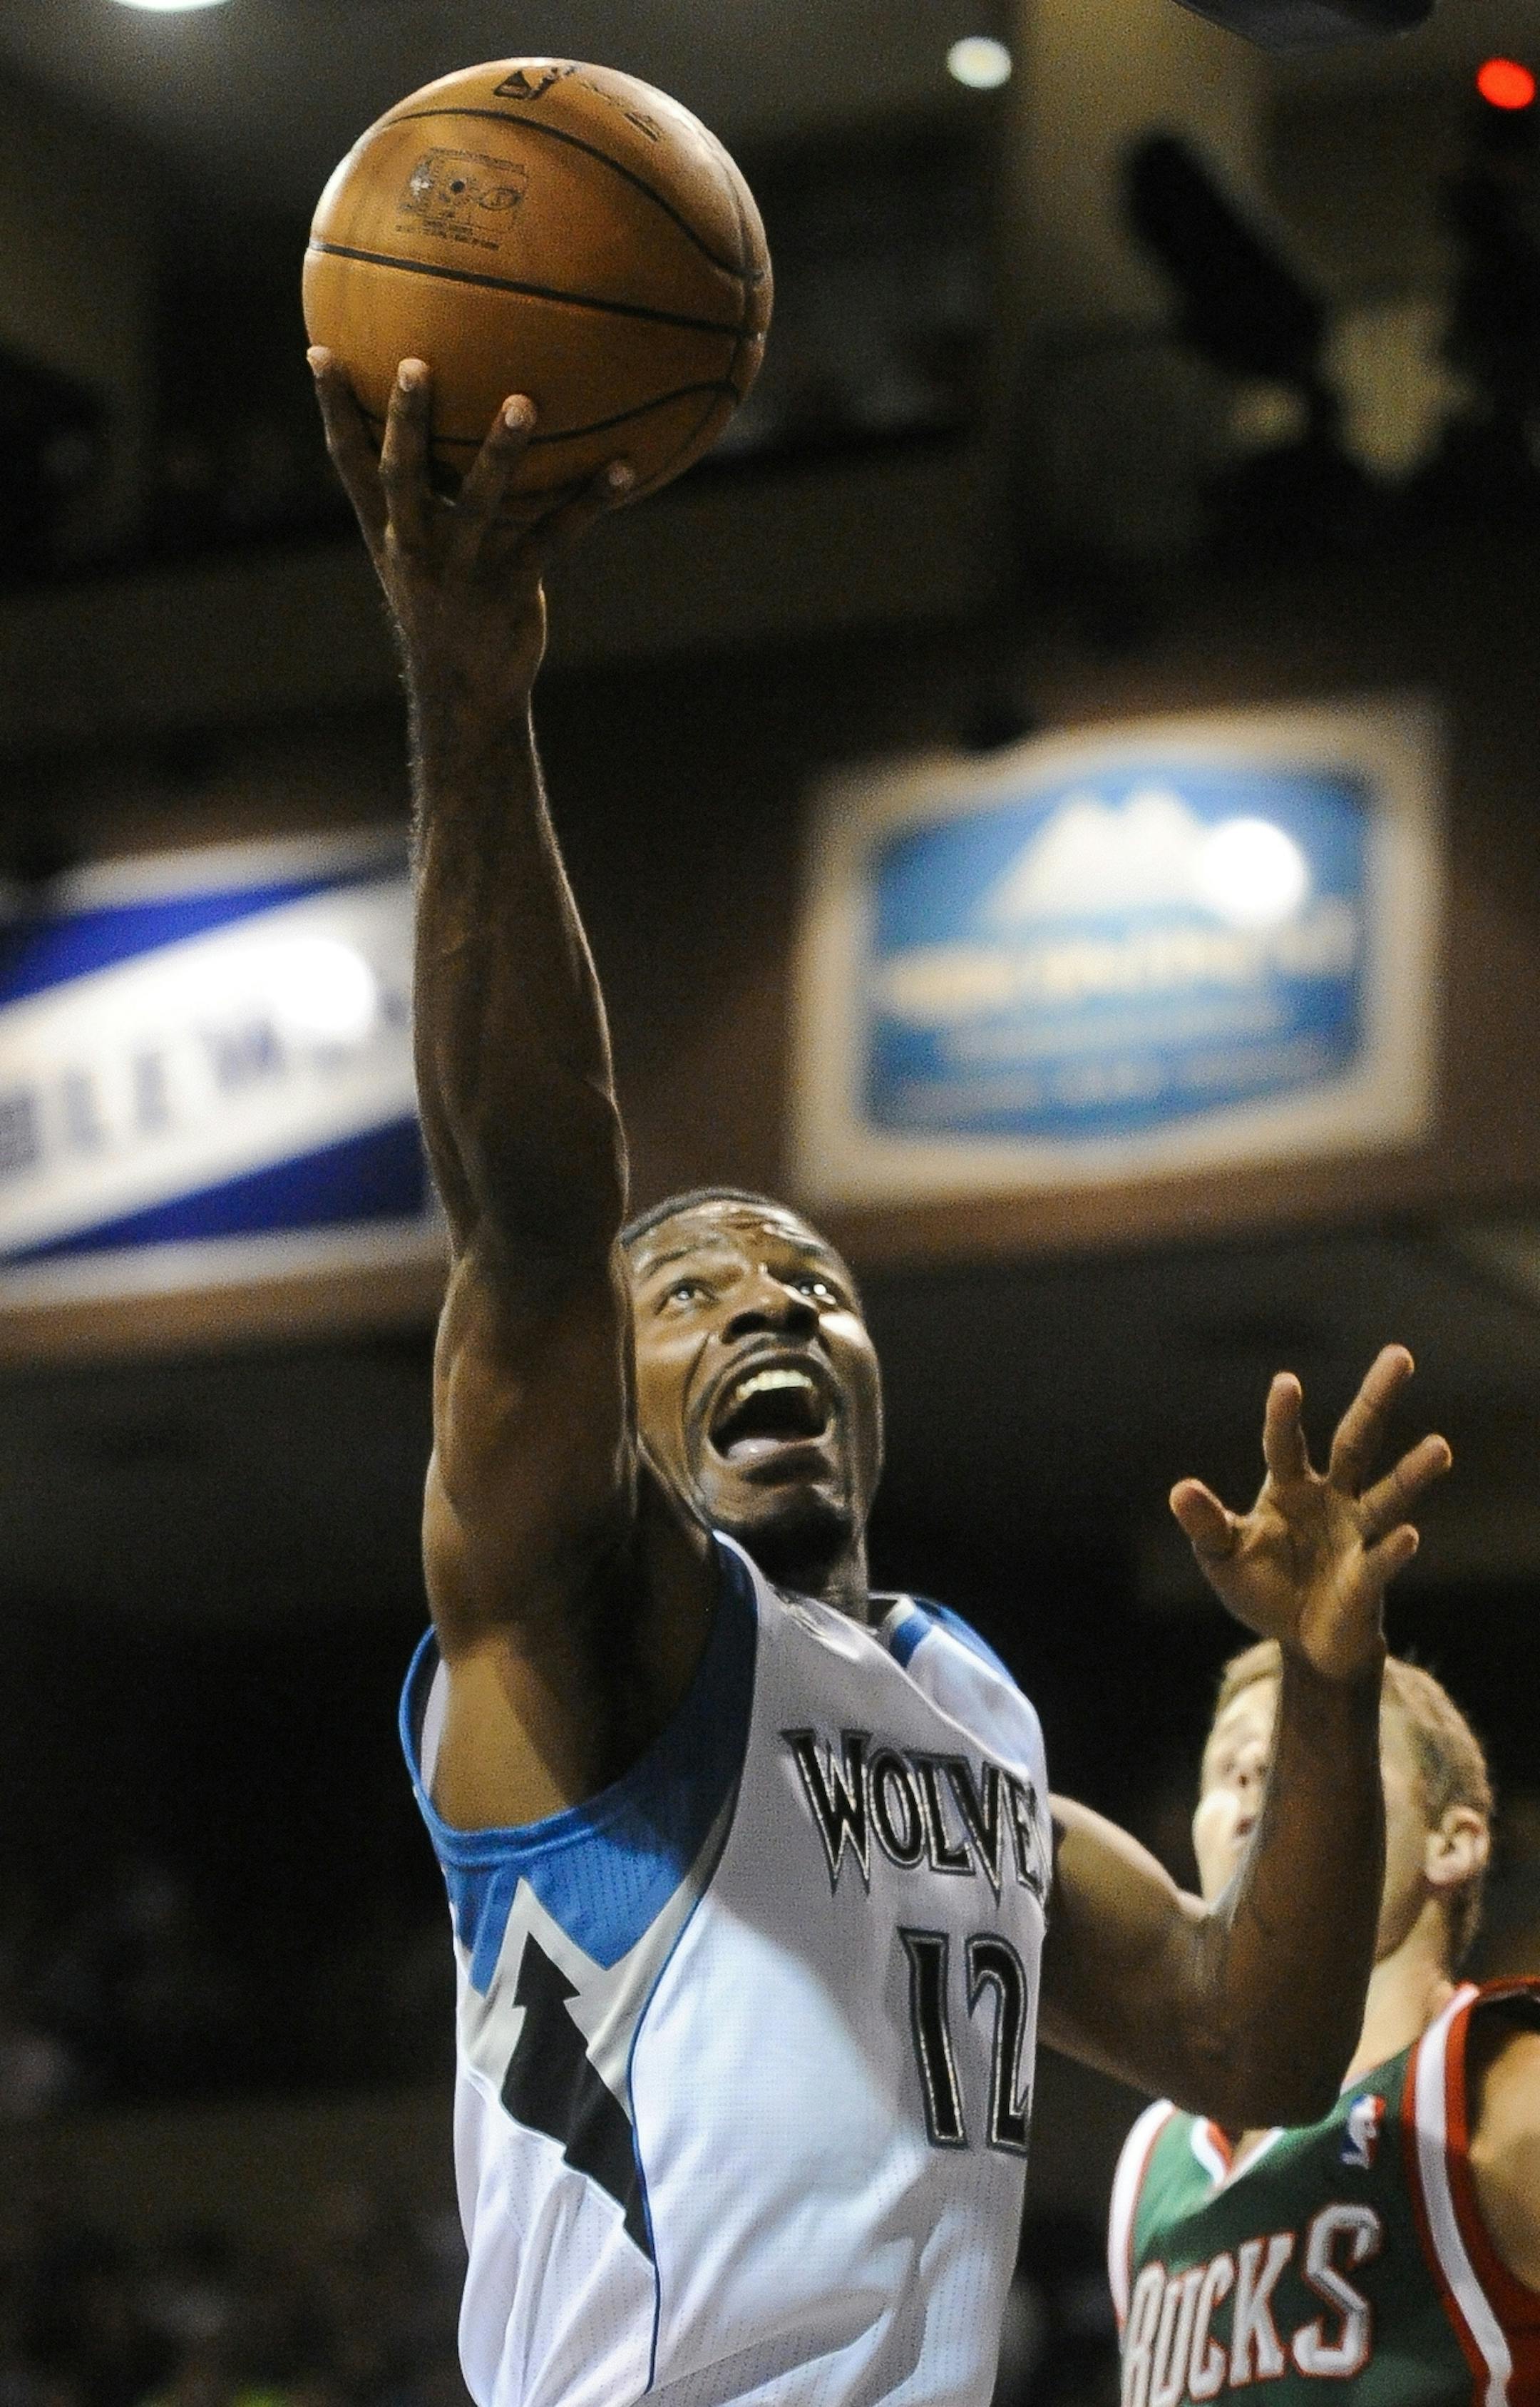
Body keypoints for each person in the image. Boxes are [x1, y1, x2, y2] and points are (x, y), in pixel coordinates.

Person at [308, 352, 1452, 2407]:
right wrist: (474, 709)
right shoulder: (600, 1632)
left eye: (814, 1280)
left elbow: (1252, 2039)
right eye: (703, 1288)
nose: (770, 1304)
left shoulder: (965, 1706)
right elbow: (537, 1209)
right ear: (616, 1389)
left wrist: (1343, 1679)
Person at [1108, 1644, 1540, 2406]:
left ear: (1452, 1842)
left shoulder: (1502, 2081)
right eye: (1229, 1765)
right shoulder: (1149, 2161)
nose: (1252, 1774)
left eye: (1306, 1750)